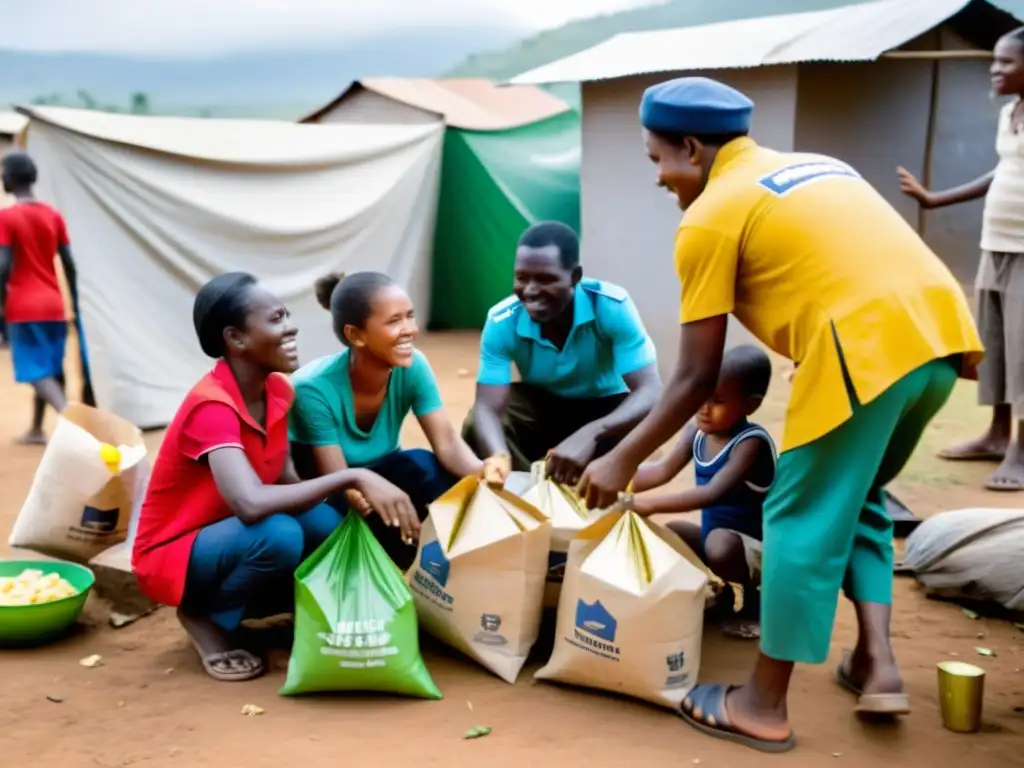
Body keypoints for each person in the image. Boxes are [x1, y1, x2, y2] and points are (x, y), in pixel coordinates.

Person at [574, 77, 983, 753]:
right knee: (859, 501)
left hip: (862, 353)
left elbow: (695, 374)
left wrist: (619, 459)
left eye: (657, 159)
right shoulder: (815, 164)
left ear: (693, 147)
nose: (658, 177)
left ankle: (762, 704)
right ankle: (876, 663)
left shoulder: (707, 217)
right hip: (939, 340)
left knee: (796, 518)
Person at [133, 272, 415, 682]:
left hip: (229, 539)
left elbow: (285, 480)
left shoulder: (277, 390)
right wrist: (352, 477)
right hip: (176, 552)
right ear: (237, 339)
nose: (291, 326)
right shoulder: (211, 407)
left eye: (286, 314)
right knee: (278, 534)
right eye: (276, 318)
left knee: (323, 524)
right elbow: (249, 504)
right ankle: (205, 615)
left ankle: (288, 606)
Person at [289, 271, 503, 570]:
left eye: (410, 316)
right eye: (394, 321)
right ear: (355, 335)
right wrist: (382, 505)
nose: (410, 330)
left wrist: (487, 477)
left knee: (427, 467)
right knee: (327, 527)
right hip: (329, 488)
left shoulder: (413, 366)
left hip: (382, 471)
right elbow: (341, 482)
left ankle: (404, 550)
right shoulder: (312, 387)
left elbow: (448, 443)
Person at [897, 27, 1024, 491]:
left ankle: (1021, 451)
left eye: (1006, 62)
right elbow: (1003, 171)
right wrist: (935, 199)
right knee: (995, 344)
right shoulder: (1011, 114)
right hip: (996, 242)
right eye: (994, 60)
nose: (994, 69)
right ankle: (996, 433)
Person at [462, 221, 661, 488]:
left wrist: (592, 433)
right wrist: (499, 457)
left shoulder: (610, 306)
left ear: (575, 276)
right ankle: (529, 499)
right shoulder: (502, 320)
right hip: (543, 409)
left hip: (603, 410)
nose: (530, 290)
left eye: (545, 279)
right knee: (480, 425)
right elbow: (487, 407)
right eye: (521, 278)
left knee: (640, 416)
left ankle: (599, 490)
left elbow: (650, 390)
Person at [628, 344, 775, 639]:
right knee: (673, 533)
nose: (704, 409)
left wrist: (649, 504)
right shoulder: (697, 432)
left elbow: (713, 494)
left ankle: (754, 604)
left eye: (718, 401)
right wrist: (615, 478)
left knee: (719, 543)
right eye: (700, 397)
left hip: (760, 553)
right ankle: (723, 594)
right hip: (720, 545)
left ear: (751, 405)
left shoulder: (750, 443)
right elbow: (661, 470)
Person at [0, 151, 77, 444]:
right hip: (53, 305)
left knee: (35, 372)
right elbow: (69, 265)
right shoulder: (53, 215)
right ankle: (36, 429)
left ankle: (75, 422)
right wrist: (77, 305)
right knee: (50, 370)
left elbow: (3, 266)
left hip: (23, 306)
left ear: (7, 179)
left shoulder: (7, 217)